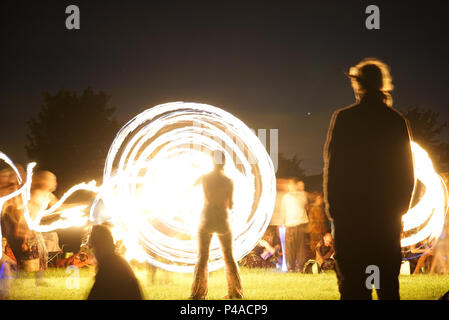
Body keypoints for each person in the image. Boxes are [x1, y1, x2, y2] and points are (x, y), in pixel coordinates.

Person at [323, 58, 415, 299]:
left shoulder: (345, 119)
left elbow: (334, 170)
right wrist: (398, 211)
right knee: (387, 288)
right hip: (385, 222)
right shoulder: (396, 122)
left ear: (358, 85)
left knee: (354, 288)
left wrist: (336, 213)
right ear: (382, 85)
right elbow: (407, 173)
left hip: (352, 223)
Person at [190, 151, 243, 300]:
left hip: (207, 219)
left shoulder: (204, 177)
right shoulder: (228, 181)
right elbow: (231, 205)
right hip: (222, 220)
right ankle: (235, 293)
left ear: (212, 161)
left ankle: (198, 294)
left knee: (202, 257)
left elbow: (189, 189)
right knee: (228, 256)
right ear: (224, 162)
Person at [87, 224, 143, 300]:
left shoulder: (109, 267)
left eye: (92, 246)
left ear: (99, 246)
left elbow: (95, 295)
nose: (92, 252)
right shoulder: (116, 261)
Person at [281, 179, 309, 272]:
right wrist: (282, 222)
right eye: (289, 185)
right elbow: (283, 210)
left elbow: (303, 204)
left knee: (300, 247)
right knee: (290, 248)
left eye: (292, 185)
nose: (290, 187)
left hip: (300, 225)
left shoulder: (301, 195)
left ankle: (301, 266)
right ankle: (291, 267)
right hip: (290, 225)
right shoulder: (286, 197)